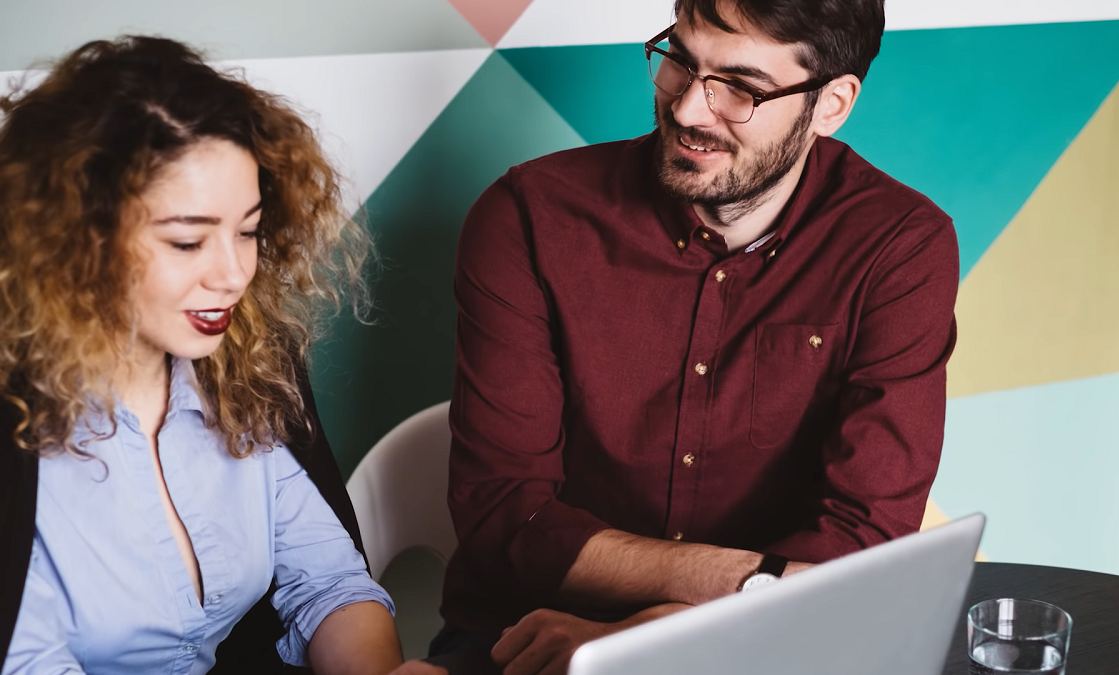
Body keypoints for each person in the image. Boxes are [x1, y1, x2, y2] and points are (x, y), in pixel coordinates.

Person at [434, 0, 959, 673]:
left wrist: (681, 628)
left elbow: (866, 532)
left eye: (739, 88)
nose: (686, 109)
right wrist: (741, 587)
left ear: (831, 105)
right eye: (680, 60)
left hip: (771, 645)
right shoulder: (529, 218)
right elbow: (504, 515)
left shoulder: (899, 246)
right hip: (530, 632)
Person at [0, 36, 438, 675]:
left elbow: (330, 583)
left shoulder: (249, 364)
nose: (233, 275)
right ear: (73, 241)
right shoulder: (16, 431)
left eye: (249, 231)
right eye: (187, 242)